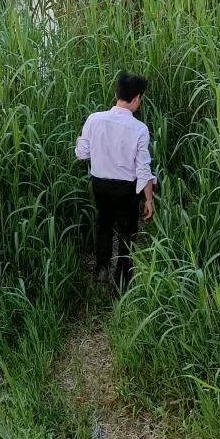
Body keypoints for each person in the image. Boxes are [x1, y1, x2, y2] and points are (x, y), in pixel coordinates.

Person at [75, 71, 156, 289]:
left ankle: (101, 268)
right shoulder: (139, 129)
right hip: (126, 189)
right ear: (137, 98)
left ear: (116, 93)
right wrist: (149, 199)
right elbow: (143, 169)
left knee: (104, 223)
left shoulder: (94, 119)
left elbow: (81, 154)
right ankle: (122, 281)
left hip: (99, 184)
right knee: (127, 232)